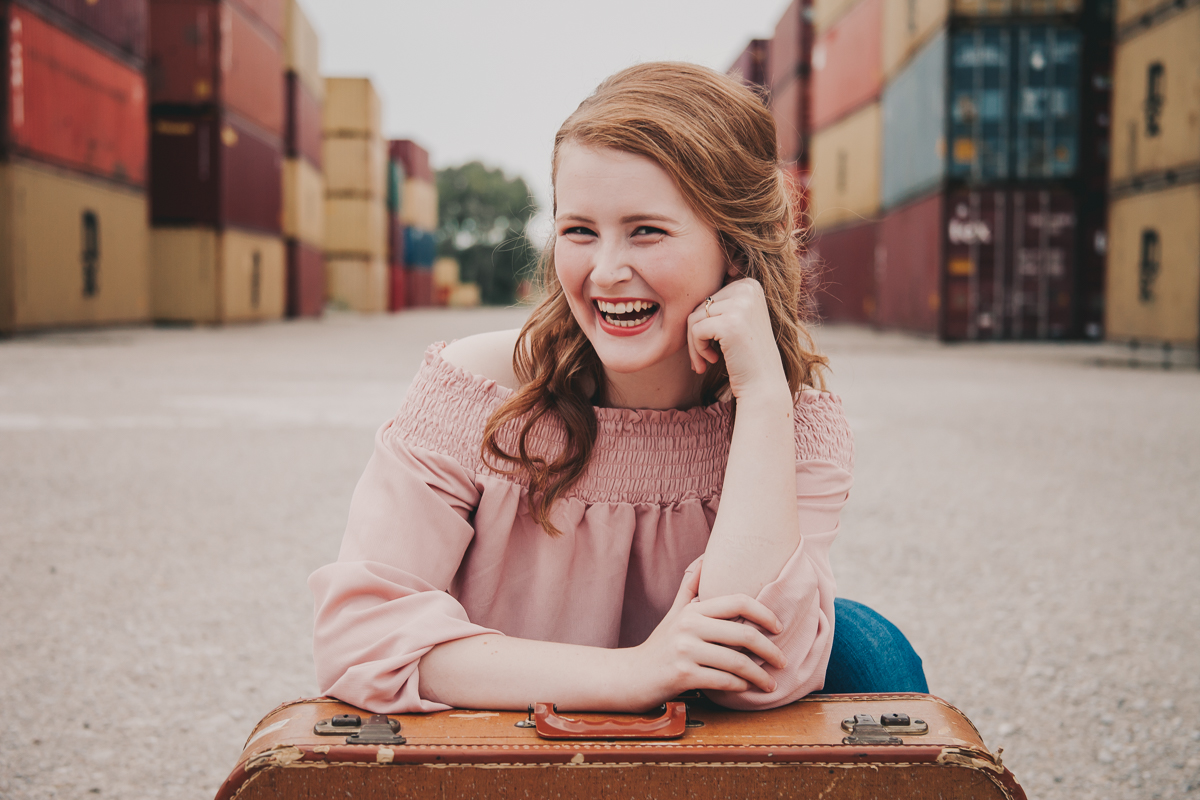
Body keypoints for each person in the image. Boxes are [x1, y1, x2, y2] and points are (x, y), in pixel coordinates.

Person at [309, 62, 926, 714]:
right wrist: (634, 675)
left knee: (867, 648)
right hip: (499, 750)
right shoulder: (475, 391)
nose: (605, 272)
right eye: (579, 230)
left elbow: (746, 668)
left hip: (703, 770)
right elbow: (358, 639)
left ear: (736, 249)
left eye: (647, 231)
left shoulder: (790, 422)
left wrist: (764, 397)